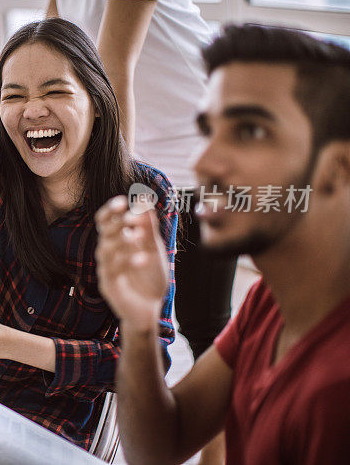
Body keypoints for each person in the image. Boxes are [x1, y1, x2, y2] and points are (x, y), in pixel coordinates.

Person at [0, 17, 178, 449]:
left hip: (62, 417)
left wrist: (2, 342)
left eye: (55, 91)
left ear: (98, 101)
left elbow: (148, 361)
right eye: (14, 96)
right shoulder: (4, 157)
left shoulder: (144, 195)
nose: (32, 110)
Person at [95, 24, 350, 464]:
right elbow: (162, 445)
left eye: (250, 131)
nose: (201, 162)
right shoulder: (269, 301)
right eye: (209, 130)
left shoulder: (337, 391)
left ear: (339, 167)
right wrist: (138, 321)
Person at [48, 0, 237, 458]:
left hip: (196, 150)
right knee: (144, 318)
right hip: (143, 149)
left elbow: (113, 65)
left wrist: (118, 193)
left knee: (207, 329)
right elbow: (50, 47)